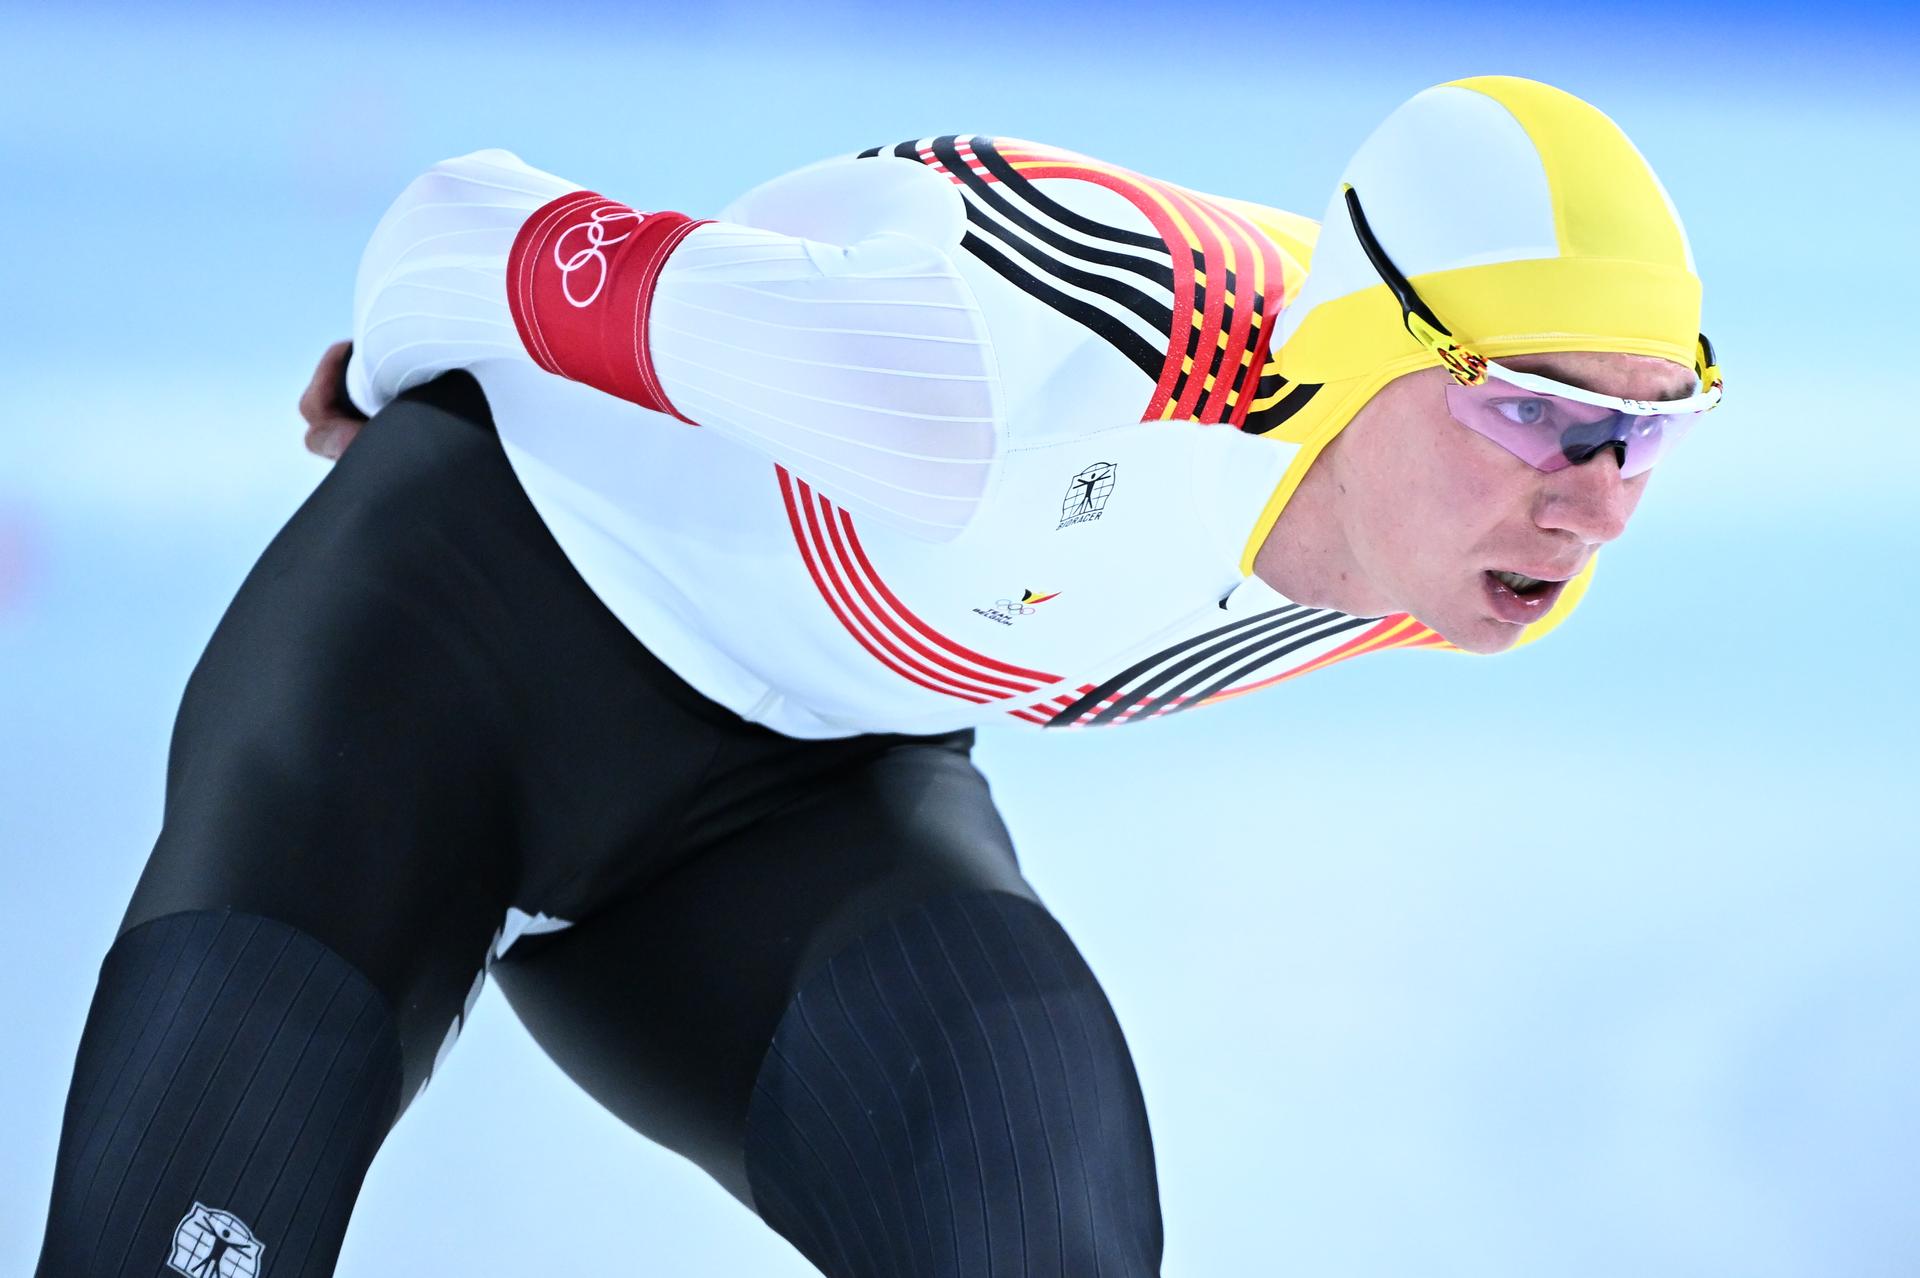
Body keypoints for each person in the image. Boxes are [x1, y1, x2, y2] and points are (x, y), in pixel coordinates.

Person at [38, 74, 1720, 1277]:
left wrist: (1540, 421)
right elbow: (465, 221)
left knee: (1037, 1225)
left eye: (1648, 433)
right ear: (1375, 349)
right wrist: (387, 380)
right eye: (1536, 408)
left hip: (803, 789)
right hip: (442, 665)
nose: (1593, 501)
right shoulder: (986, 366)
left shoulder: (1480, 559)